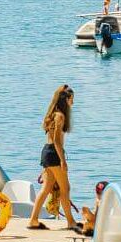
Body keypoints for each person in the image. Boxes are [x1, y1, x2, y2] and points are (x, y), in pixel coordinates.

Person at [28, 85, 79, 231]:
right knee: (65, 188)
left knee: (46, 188)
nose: (73, 103)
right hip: (54, 154)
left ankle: (33, 220)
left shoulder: (53, 114)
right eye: (71, 99)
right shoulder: (60, 116)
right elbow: (57, 140)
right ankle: (70, 222)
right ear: (66, 99)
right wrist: (62, 160)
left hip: (47, 152)